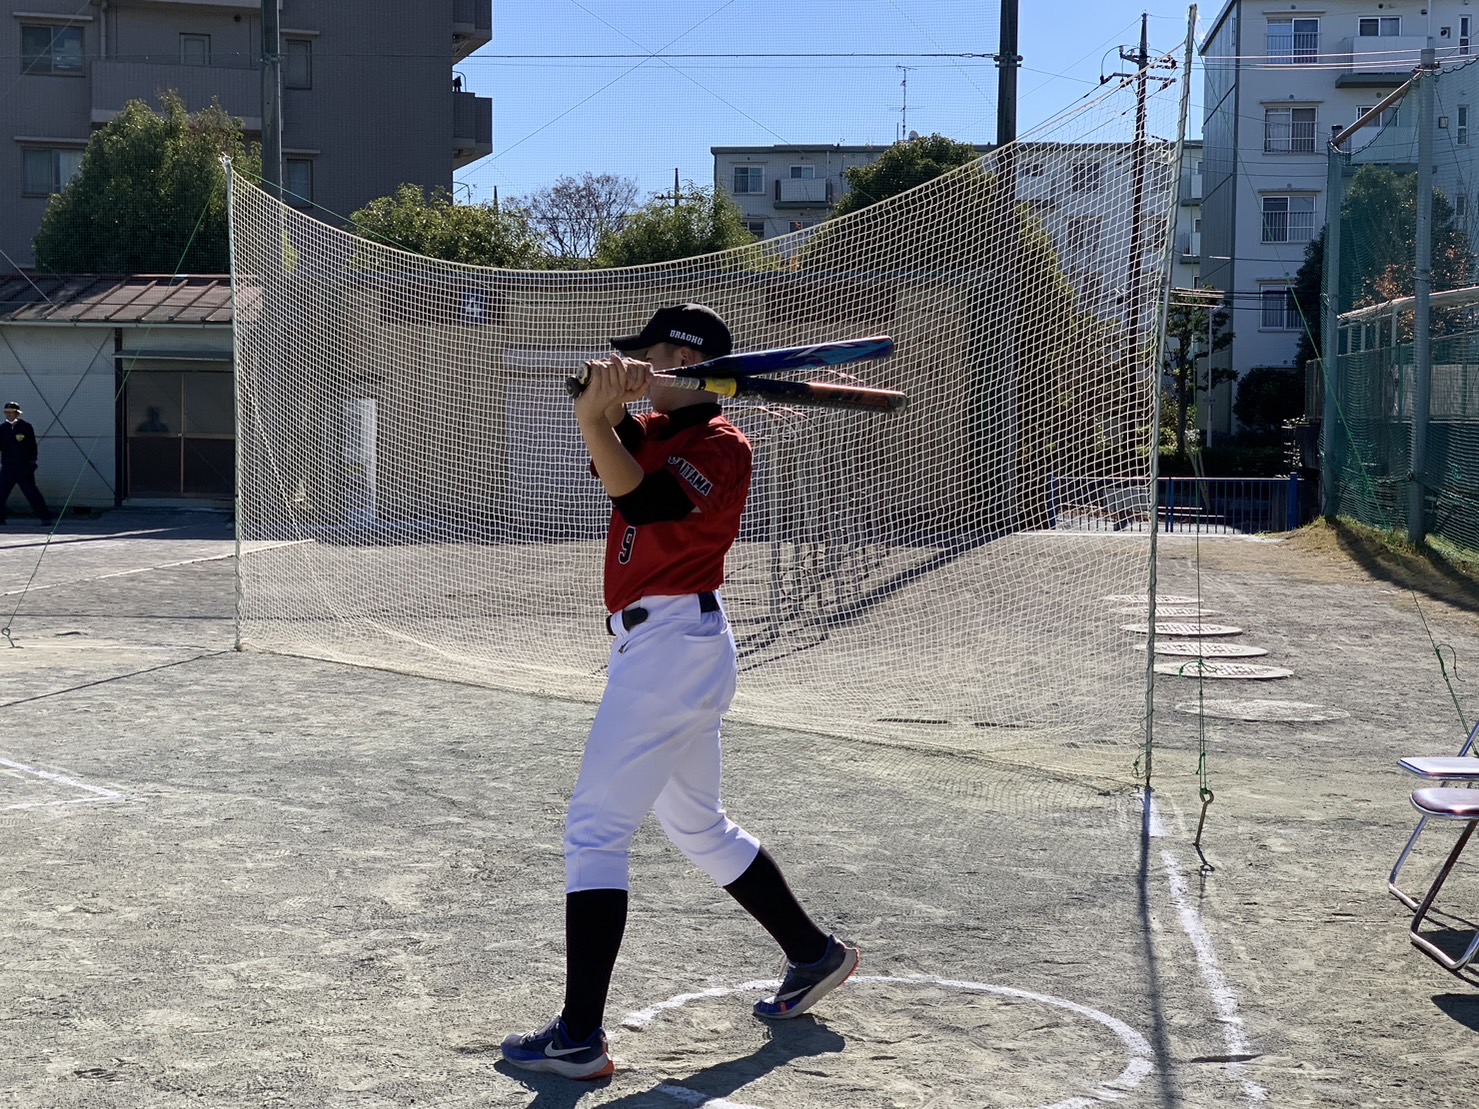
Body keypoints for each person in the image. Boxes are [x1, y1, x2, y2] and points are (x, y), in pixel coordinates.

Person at [500, 304, 858, 1080]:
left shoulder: (723, 444)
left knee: (595, 830)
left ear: (686, 360)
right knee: (698, 825)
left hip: (670, 645)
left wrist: (600, 414)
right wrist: (600, 401)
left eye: (651, 353)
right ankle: (812, 951)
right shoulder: (657, 430)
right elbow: (613, 444)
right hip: (667, 648)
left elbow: (647, 501)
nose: (638, 362)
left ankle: (578, 1036)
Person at [0, 402, 54, 526]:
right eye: (6, 412)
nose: (8, 415)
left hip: (23, 466)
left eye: (11, 412)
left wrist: (32, 461)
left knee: (31, 493)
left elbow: (32, 446)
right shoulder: (3, 429)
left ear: (17, 414)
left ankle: (45, 517)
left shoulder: (25, 427)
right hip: (8, 466)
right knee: (1, 492)